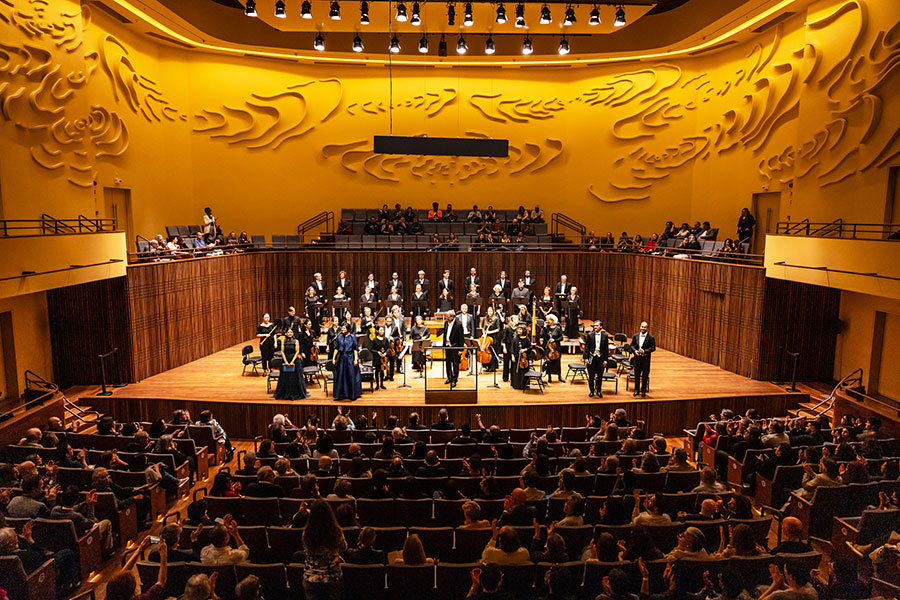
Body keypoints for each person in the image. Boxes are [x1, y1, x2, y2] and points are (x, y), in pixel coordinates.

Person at [302, 499, 347, 600]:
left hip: (311, 577)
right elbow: (344, 547)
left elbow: (306, 549)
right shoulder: (336, 531)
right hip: (332, 577)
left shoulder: (307, 532)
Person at [274, 329, 309, 400]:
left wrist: (292, 362)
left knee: (296, 377)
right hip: (285, 360)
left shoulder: (296, 341)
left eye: (291, 332)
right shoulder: (283, 341)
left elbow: (297, 352)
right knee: (285, 377)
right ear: (286, 334)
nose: (290, 333)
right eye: (288, 332)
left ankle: (296, 392)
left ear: (293, 333)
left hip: (295, 360)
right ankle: (285, 392)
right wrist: (286, 361)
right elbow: (282, 352)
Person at [584, 320, 609, 398]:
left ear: (601, 327)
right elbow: (586, 348)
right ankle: (591, 391)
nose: (595, 327)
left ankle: (598, 391)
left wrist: (605, 360)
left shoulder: (605, 336)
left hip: (600, 358)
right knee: (591, 376)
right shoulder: (590, 335)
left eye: (597, 325)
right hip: (592, 357)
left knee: (600, 376)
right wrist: (585, 358)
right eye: (594, 325)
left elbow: (606, 349)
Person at [630, 321, 655, 397]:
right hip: (637, 358)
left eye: (644, 327)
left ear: (647, 328)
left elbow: (653, 348)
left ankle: (643, 391)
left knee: (645, 375)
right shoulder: (635, 336)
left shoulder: (651, 338)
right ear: (640, 327)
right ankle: (636, 390)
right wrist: (635, 351)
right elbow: (632, 345)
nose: (643, 328)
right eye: (642, 327)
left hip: (645, 359)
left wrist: (644, 351)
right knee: (636, 375)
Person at [444, 309, 464, 387]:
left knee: (455, 364)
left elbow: (461, 338)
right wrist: (443, 345)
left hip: (455, 346)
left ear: (452, 317)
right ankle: (449, 378)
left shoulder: (458, 324)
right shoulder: (446, 323)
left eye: (448, 317)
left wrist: (460, 349)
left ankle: (454, 379)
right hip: (447, 346)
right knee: (448, 363)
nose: (447, 318)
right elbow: (445, 335)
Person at [542, 314, 563, 382]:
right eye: (547, 320)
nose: (548, 321)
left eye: (549, 320)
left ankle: (559, 377)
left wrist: (555, 340)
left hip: (556, 348)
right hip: (549, 348)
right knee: (549, 362)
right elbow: (542, 335)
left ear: (553, 320)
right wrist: (544, 327)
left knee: (557, 362)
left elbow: (561, 338)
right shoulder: (546, 328)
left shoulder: (558, 328)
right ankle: (549, 377)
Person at [481, 305, 502, 372]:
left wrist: (489, 332)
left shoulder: (496, 319)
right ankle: (487, 365)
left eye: (491, 311)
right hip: (487, 337)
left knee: (493, 353)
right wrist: (484, 333)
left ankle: (493, 367)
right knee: (487, 352)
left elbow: (498, 329)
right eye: (489, 311)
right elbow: (482, 327)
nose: (490, 312)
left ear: (493, 312)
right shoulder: (485, 319)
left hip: (494, 338)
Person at [510, 325, 531, 390]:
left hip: (524, 359)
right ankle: (516, 385)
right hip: (516, 357)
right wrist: (512, 356)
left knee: (524, 371)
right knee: (516, 371)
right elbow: (512, 348)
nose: (518, 331)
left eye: (520, 330)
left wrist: (525, 350)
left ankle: (524, 385)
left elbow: (530, 347)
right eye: (518, 329)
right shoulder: (515, 338)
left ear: (524, 331)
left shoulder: (527, 339)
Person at [370, 325, 390, 390]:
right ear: (377, 331)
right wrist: (377, 352)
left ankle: (382, 384)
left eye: (383, 330)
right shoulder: (374, 340)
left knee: (382, 371)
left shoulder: (386, 339)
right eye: (381, 330)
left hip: (384, 358)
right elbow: (371, 349)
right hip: (377, 357)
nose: (382, 331)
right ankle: (377, 385)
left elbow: (388, 348)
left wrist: (385, 353)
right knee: (377, 371)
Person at [501, 315, 518, 382]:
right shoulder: (507, 328)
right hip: (507, 346)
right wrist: (504, 348)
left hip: (514, 347)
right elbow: (503, 339)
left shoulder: (517, 329)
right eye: (516, 320)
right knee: (506, 363)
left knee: (514, 363)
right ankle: (505, 377)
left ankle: (513, 378)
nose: (517, 321)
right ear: (512, 321)